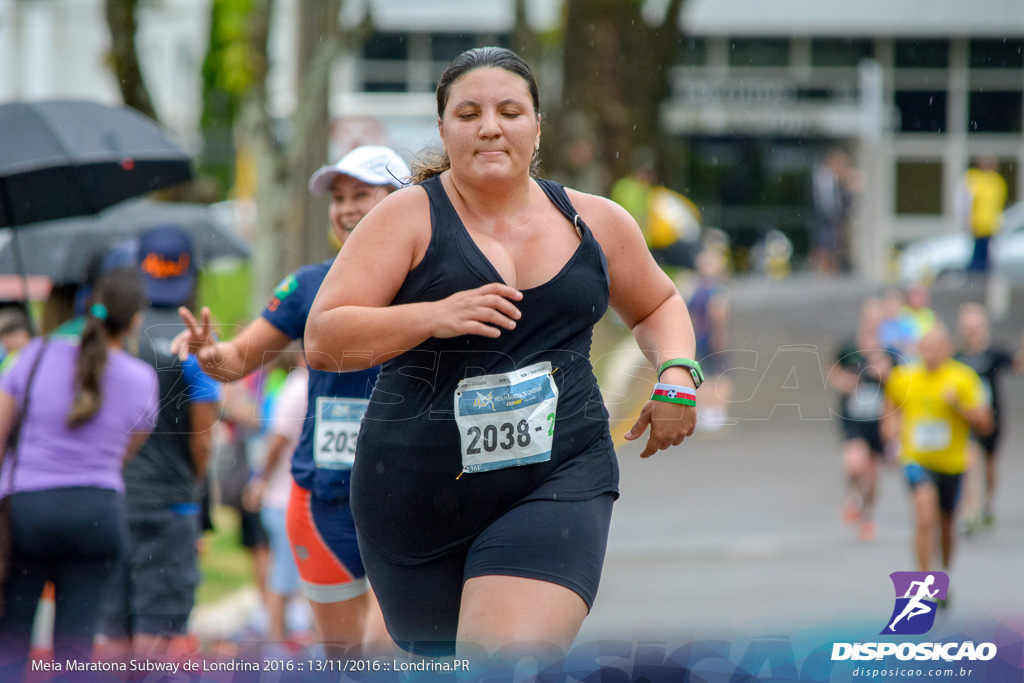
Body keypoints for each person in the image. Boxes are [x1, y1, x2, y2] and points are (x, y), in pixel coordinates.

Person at [304, 47, 700, 663]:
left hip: (557, 476)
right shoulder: (405, 218)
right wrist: (433, 315)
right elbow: (324, 340)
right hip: (413, 494)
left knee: (504, 663)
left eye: (510, 110)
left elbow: (657, 304)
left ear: (537, 126)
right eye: (469, 112)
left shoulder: (595, 222)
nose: (490, 125)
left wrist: (677, 375)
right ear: (443, 129)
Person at [173, 145, 411, 654]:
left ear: (401, 200)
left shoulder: (432, 283)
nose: (346, 208)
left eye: (362, 194)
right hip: (322, 496)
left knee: (389, 654)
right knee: (344, 661)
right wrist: (207, 354)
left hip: (411, 496)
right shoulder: (307, 286)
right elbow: (236, 360)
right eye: (338, 197)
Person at [0, 268, 158, 671]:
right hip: (97, 514)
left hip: (26, 513)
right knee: (77, 647)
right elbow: (125, 451)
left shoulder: (31, 357)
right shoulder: (142, 378)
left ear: (87, 306)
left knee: (12, 639)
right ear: (136, 318)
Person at [95, 228, 221, 661]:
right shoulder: (195, 341)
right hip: (170, 506)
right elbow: (203, 438)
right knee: (160, 631)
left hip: (110, 500)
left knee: (112, 625)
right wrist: (194, 484)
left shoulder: (108, 340)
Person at [882, 323, 992, 575]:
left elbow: (986, 423)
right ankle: (923, 584)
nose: (930, 353)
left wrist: (959, 407)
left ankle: (943, 574)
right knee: (924, 520)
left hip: (952, 464)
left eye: (936, 347)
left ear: (948, 349)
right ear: (919, 348)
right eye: (926, 347)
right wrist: (890, 438)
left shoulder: (963, 378)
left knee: (945, 525)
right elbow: (890, 405)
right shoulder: (904, 377)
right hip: (916, 459)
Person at [244, 346, 307, 644]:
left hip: (290, 495)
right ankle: (275, 646)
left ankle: (281, 640)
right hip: (286, 497)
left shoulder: (297, 387)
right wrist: (261, 480)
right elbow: (277, 440)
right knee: (283, 574)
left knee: (287, 573)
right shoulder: (298, 389)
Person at [828, 297, 897, 542]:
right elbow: (833, 373)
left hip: (879, 421)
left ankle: (867, 516)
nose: (872, 324)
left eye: (877, 320)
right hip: (854, 418)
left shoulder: (889, 353)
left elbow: (901, 386)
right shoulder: (848, 348)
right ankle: (851, 496)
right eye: (869, 320)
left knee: (873, 474)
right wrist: (848, 382)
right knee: (854, 463)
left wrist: (885, 374)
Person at [953, 303, 1022, 532]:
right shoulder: (957, 358)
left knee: (990, 466)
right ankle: (969, 512)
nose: (970, 332)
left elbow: (1018, 363)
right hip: (965, 420)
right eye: (966, 328)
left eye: (974, 328)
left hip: (991, 418)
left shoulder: (993, 353)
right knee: (969, 461)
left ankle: (988, 504)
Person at [957, 156, 1007, 275]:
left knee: (986, 258)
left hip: (990, 226)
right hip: (978, 225)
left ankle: (981, 281)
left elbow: (999, 205)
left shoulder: (997, 182)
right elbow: (965, 203)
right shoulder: (974, 180)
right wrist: (967, 221)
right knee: (978, 257)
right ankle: (975, 281)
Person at [810, 148, 857, 274]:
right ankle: (824, 274)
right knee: (825, 247)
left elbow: (846, 202)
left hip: (834, 220)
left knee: (834, 247)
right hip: (825, 219)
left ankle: (830, 273)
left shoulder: (836, 179)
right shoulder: (824, 176)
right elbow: (827, 203)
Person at [0, 308, 32, 375]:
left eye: (9, 336)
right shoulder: (8, 360)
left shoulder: (33, 357)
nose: (4, 342)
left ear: (24, 334)